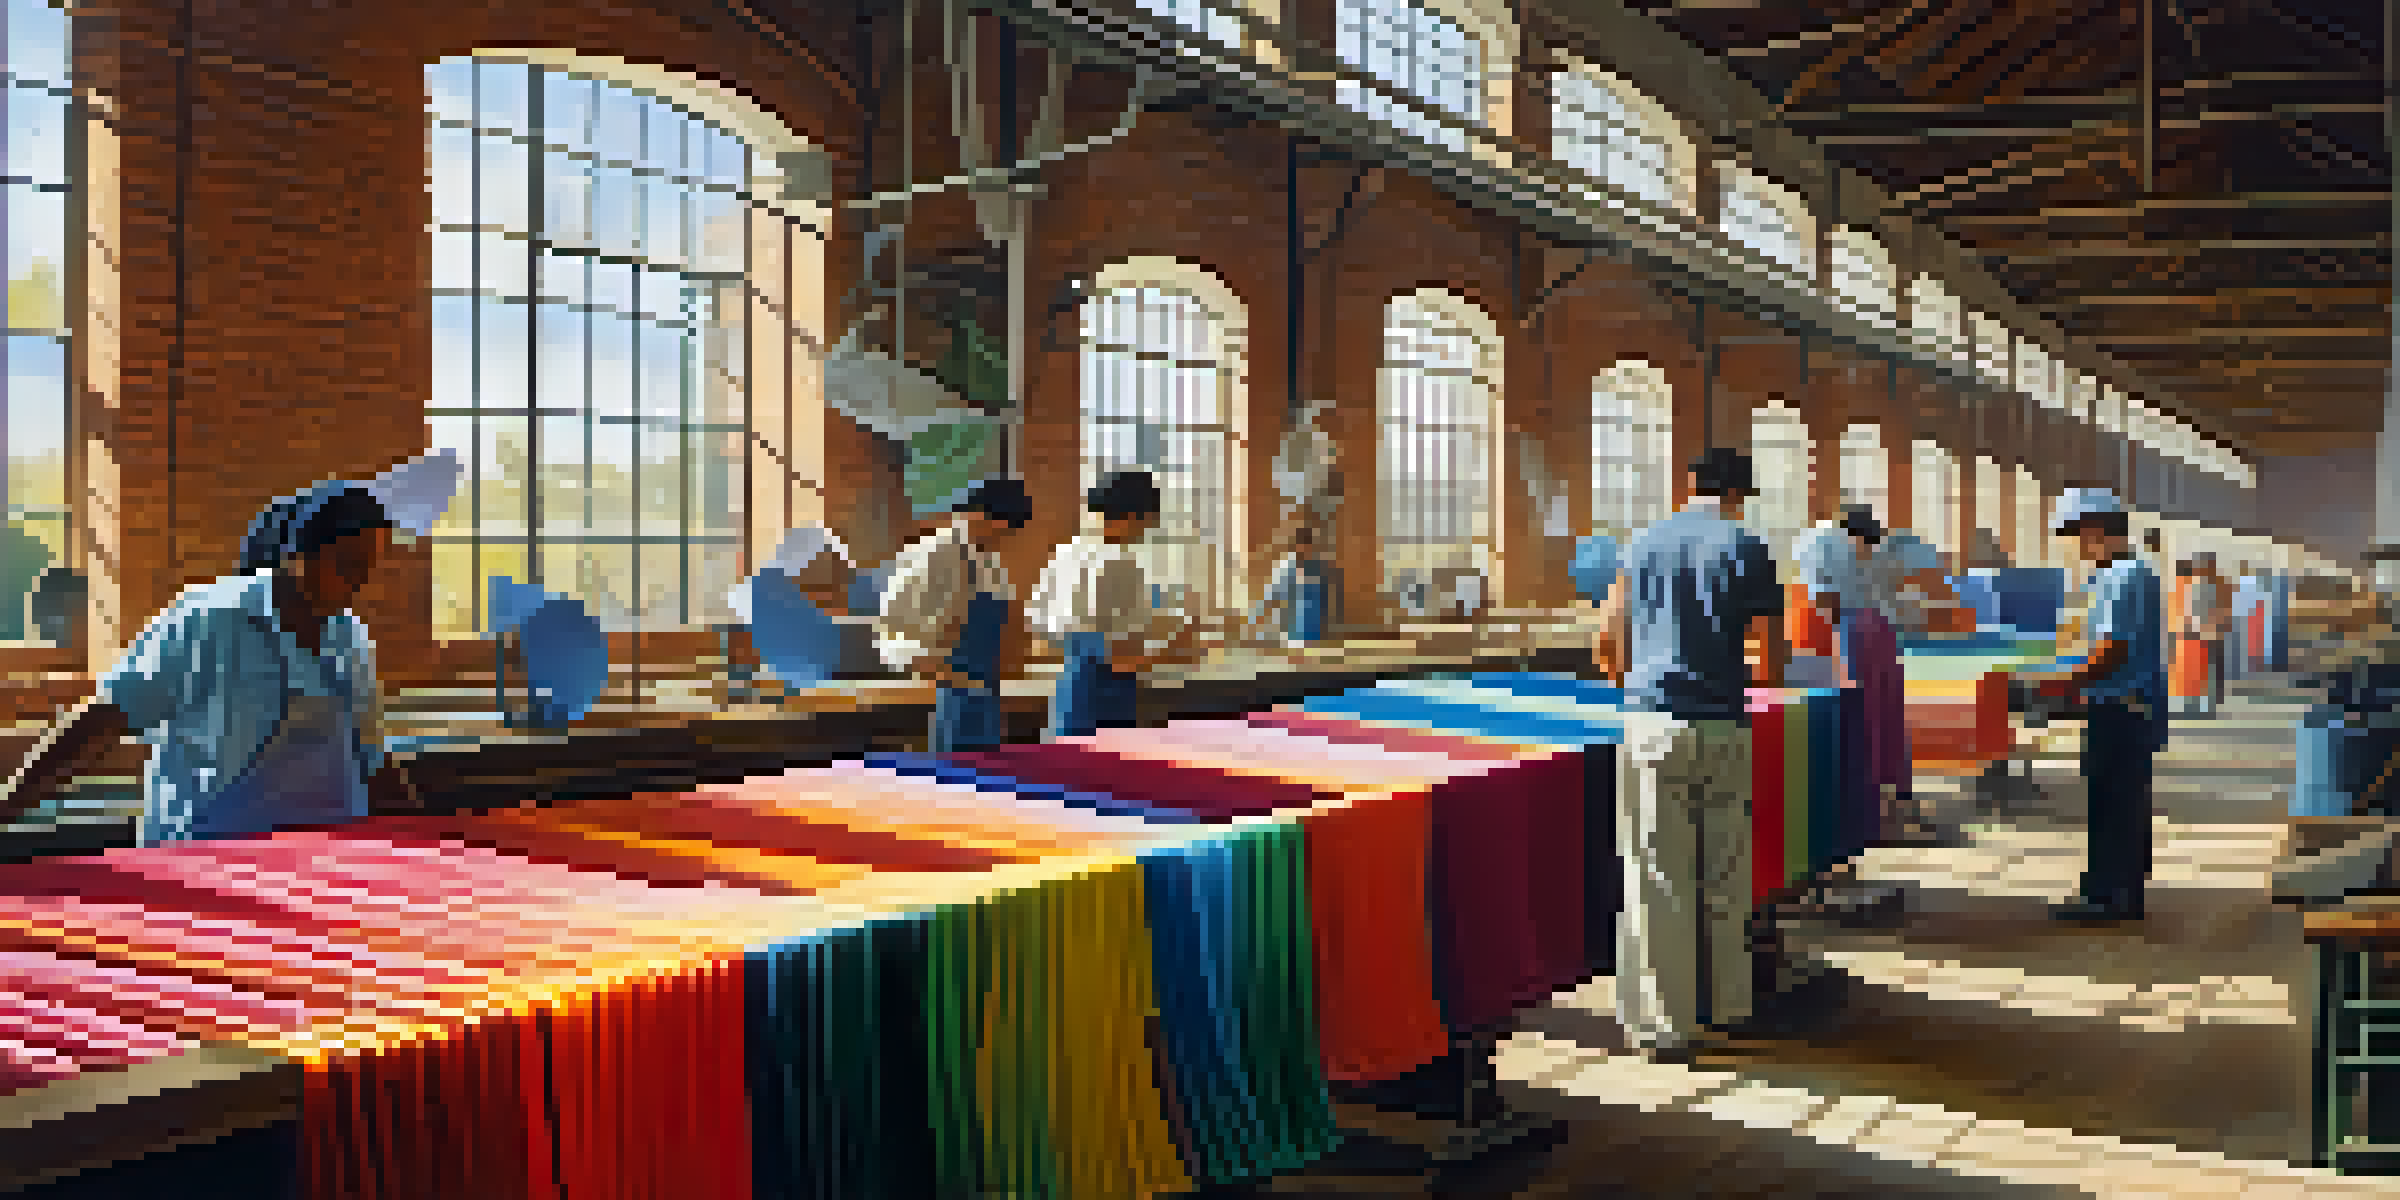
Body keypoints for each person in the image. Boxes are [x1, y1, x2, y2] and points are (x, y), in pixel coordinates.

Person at [0, 481, 419, 840]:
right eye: (347, 565)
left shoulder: (348, 634)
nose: (361, 580)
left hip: (329, 853)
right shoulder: (211, 620)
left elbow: (371, 755)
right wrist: (11, 804)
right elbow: (105, 719)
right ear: (298, 557)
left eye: (368, 566)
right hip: (213, 856)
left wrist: (428, 838)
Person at [1592, 447, 1787, 1063]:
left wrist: (1630, 680)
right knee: (1727, 870)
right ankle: (1729, 1005)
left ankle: (1665, 1026)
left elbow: (1607, 637)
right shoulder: (1747, 546)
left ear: (1688, 483)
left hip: (1654, 722)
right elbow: (1772, 653)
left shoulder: (1642, 544)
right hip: (1724, 725)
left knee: (1657, 875)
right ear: (1741, 494)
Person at [2021, 488, 2167, 923]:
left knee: (2112, 801)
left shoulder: (2125, 575)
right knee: (2121, 801)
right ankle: (2121, 891)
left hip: (2123, 705)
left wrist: (2057, 684)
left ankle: (2109, 898)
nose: (2079, 547)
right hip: (2121, 702)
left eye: (2080, 536)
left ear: (2099, 530)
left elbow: (2111, 651)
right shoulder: (2116, 574)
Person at [874, 478, 1035, 754]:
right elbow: (893, 629)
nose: (1003, 540)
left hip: (986, 694)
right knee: (953, 779)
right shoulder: (932, 555)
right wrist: (936, 670)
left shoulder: (992, 565)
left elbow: (1004, 623)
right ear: (978, 515)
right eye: (1000, 530)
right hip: (945, 691)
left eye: (1008, 534)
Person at [1032, 470, 1190, 740]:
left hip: (1070, 689)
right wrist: (1175, 649)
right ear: (1133, 517)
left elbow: (1041, 630)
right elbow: (1122, 658)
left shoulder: (1066, 554)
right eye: (1148, 522)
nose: (1146, 531)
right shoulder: (1121, 563)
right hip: (1106, 695)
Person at [2169, 553, 2229, 718]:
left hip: (2197, 634)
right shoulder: (2199, 584)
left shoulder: (2203, 584)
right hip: (2197, 634)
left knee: (2199, 672)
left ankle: (2204, 704)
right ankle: (2202, 704)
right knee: (2197, 672)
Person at [1259, 523, 1336, 647]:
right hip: (1288, 632)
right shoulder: (1285, 568)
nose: (1305, 549)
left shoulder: (1320, 569)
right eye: (1302, 545)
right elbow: (1270, 599)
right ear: (1296, 546)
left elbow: (1325, 603)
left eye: (1308, 546)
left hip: (1315, 632)